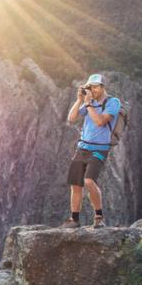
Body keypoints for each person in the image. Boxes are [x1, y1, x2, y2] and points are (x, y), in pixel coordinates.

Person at [61, 73, 120, 228]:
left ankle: (99, 217)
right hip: (83, 147)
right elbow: (71, 118)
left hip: (100, 148)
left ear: (102, 87)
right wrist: (80, 100)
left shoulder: (112, 102)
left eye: (95, 86)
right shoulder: (89, 102)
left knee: (88, 181)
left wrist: (88, 105)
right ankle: (74, 219)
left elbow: (100, 121)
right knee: (75, 184)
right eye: (90, 87)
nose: (92, 90)